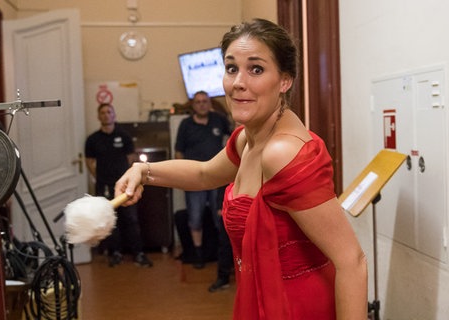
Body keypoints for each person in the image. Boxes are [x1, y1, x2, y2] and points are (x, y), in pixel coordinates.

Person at [114, 19, 367, 319]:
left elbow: (352, 261)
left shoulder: (281, 152)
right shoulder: (250, 136)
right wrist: (144, 172)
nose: (238, 83)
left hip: (295, 307)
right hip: (263, 298)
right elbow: (204, 174)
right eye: (232, 68)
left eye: (256, 69)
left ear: (285, 81)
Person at [85, 103, 153, 268]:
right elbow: (89, 162)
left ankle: (138, 253)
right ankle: (115, 253)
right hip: (104, 185)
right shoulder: (92, 139)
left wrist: (126, 179)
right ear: (98, 116)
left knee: (131, 219)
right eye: (103, 112)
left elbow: (131, 158)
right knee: (110, 220)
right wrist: (100, 177)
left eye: (109, 112)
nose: (106, 115)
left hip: (124, 186)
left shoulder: (124, 136)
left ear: (114, 115)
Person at [175, 90, 231, 268]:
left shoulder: (219, 119)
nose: (202, 104)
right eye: (198, 102)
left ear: (210, 103)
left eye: (205, 101)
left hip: (217, 178)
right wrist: (181, 177)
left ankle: (223, 257)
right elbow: (178, 153)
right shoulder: (185, 124)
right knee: (195, 218)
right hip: (194, 179)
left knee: (221, 219)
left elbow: (234, 137)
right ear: (193, 105)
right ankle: (198, 254)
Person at [207, 184, 234, 292]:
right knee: (225, 243)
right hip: (229, 201)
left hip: (253, 200)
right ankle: (223, 277)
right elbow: (223, 182)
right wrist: (220, 204)